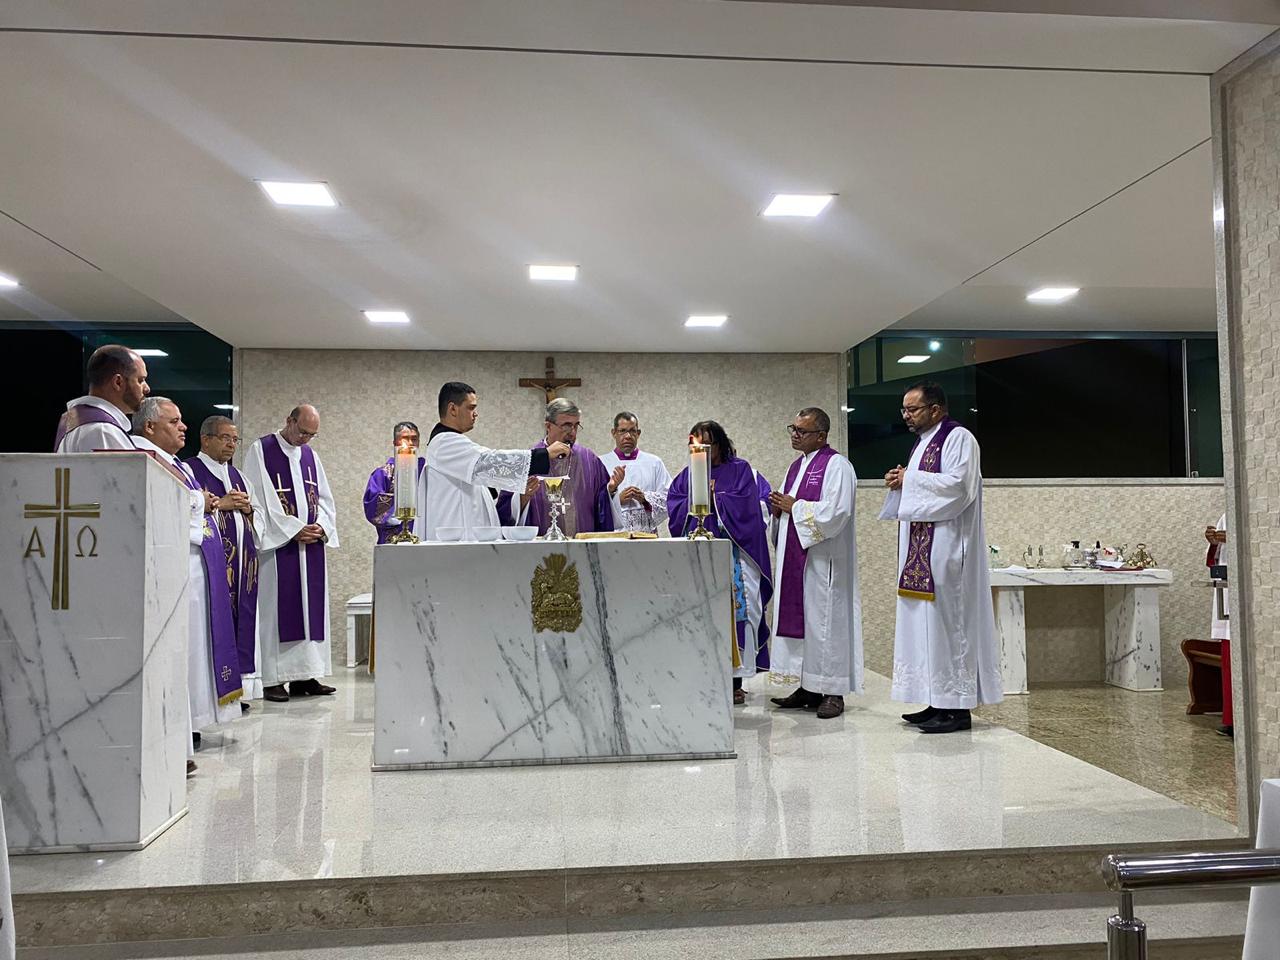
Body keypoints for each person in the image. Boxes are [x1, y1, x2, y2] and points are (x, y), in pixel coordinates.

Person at [880, 382, 1002, 733]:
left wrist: (910, 479)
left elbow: (959, 487)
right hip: (924, 551)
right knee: (928, 627)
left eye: (913, 409)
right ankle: (936, 699)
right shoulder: (923, 443)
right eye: (904, 410)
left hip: (950, 549)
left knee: (952, 627)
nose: (906, 416)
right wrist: (902, 480)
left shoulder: (958, 438)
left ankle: (957, 708)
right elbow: (922, 485)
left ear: (935, 409)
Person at [131, 398, 241, 762]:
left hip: (196, 565)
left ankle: (192, 720)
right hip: (175, 566)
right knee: (187, 647)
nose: (183, 427)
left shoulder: (172, 461)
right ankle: (182, 725)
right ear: (149, 427)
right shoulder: (143, 456)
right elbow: (165, 504)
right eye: (174, 421)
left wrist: (203, 501)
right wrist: (202, 501)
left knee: (196, 645)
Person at [767, 407, 863, 720]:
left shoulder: (838, 466)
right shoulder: (796, 467)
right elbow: (789, 510)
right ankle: (807, 686)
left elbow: (837, 513)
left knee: (826, 624)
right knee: (805, 624)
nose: (794, 435)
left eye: (802, 431)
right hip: (797, 563)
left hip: (824, 564)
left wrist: (795, 506)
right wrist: (778, 512)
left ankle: (833, 692)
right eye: (792, 429)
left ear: (821, 435)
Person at [668, 420, 773, 704]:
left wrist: (716, 498)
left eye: (708, 444)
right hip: (700, 558)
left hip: (733, 556)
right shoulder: (688, 475)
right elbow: (674, 504)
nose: (703, 450)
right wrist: (696, 498)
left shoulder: (741, 470)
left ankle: (735, 681)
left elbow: (751, 507)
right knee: (702, 616)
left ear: (720, 443)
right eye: (697, 444)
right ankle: (705, 677)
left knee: (738, 615)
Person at [242, 404, 339, 703]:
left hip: (310, 547)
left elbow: (324, 498)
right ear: (289, 421)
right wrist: (293, 529)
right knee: (276, 611)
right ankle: (273, 679)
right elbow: (260, 499)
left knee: (311, 611)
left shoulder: (310, 456)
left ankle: (305, 676)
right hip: (279, 548)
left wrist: (321, 526)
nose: (305, 439)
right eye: (302, 431)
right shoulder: (261, 450)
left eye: (312, 435)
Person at [415, 383, 569, 539]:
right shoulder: (444, 443)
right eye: (471, 408)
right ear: (453, 409)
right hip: (455, 541)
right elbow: (490, 460)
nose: (475, 414)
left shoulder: (458, 446)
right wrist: (544, 454)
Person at [186, 416, 262, 707]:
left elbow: (260, 520)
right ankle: (212, 693)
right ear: (206, 439)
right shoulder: (190, 471)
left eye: (235, 439)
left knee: (242, 620)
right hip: (212, 567)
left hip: (243, 569)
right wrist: (222, 504)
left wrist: (249, 510)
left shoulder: (239, 476)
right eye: (225, 438)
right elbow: (188, 510)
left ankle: (236, 689)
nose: (231, 444)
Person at [513, 399, 614, 537]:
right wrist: (522, 499)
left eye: (576, 426)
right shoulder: (529, 461)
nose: (572, 433)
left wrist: (611, 491)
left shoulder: (590, 460)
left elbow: (604, 506)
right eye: (566, 426)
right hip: (539, 547)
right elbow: (506, 510)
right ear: (548, 426)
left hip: (584, 546)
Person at [54, 344, 150, 452]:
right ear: (118, 382)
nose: (147, 389)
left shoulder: (76, 421)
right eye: (140, 380)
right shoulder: (103, 430)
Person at [599, 412, 672, 534]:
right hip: (614, 537)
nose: (628, 436)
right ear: (614, 433)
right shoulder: (600, 463)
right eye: (622, 431)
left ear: (638, 433)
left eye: (632, 431)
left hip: (646, 536)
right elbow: (593, 503)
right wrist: (616, 500)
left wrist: (645, 499)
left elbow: (669, 499)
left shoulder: (654, 462)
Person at [364, 421, 426, 544]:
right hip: (392, 541)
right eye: (404, 439)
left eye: (414, 439)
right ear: (395, 443)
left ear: (418, 442)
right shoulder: (383, 474)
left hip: (423, 538)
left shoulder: (426, 470)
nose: (410, 444)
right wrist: (403, 503)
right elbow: (372, 506)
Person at [1205, 514, 1232, 737]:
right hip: (1227, 592)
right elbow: (1214, 559)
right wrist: (1214, 542)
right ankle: (1230, 719)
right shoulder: (1226, 514)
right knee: (1229, 663)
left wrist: (1232, 538)